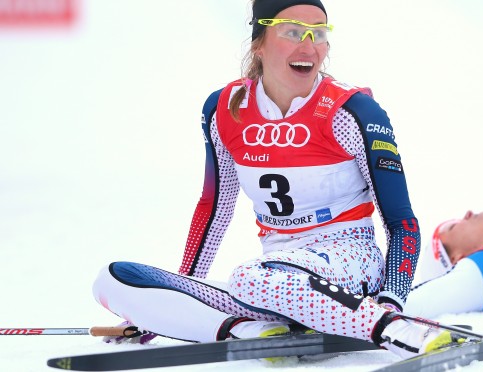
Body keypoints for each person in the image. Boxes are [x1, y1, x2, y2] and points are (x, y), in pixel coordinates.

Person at [91, 0, 457, 358]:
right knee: (114, 280)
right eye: (293, 32)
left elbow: (402, 223)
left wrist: (390, 299)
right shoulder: (224, 109)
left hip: (350, 262)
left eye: (318, 33)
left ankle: (394, 330)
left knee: (249, 278)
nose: (309, 46)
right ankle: (256, 333)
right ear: (259, 44)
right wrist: (175, 296)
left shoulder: (352, 112)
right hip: (275, 279)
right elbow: (214, 210)